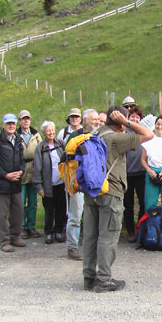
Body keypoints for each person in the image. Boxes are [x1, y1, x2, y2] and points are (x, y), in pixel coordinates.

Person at [82, 106, 153, 293]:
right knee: (108, 236)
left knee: (90, 236)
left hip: (91, 191)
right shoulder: (116, 138)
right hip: (110, 192)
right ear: (120, 122)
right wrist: (127, 121)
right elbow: (148, 134)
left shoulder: (95, 133)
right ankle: (105, 280)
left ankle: (89, 278)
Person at [62, 109, 100, 261]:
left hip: (93, 182)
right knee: (75, 215)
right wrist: (69, 184)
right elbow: (67, 161)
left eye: (98, 119)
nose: (97, 121)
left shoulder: (99, 135)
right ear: (85, 121)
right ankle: (72, 247)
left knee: (91, 215)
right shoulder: (74, 136)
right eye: (94, 119)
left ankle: (90, 245)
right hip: (77, 181)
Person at [0, 113, 26, 252]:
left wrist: (21, 171)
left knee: (18, 211)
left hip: (15, 183)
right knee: (2, 214)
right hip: (0, 184)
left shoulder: (18, 140)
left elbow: (22, 160)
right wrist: (5, 175)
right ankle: (4, 241)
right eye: (8, 123)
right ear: (3, 124)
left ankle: (15, 237)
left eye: (13, 123)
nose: (11, 126)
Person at [33, 121, 67, 245]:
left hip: (61, 184)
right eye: (48, 131)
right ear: (44, 133)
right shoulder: (40, 147)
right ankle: (48, 233)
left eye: (52, 130)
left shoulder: (60, 144)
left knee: (61, 209)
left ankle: (58, 231)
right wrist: (39, 186)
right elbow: (37, 168)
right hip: (48, 185)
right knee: (48, 210)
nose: (51, 133)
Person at [17, 109, 43, 239]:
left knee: (33, 202)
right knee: (21, 202)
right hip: (21, 171)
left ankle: (31, 226)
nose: (26, 121)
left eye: (28, 118)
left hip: (33, 170)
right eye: (23, 119)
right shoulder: (16, 135)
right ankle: (21, 227)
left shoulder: (36, 135)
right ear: (19, 121)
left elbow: (41, 150)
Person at [124, 106, 146, 242]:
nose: (135, 119)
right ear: (128, 118)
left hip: (142, 173)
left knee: (143, 203)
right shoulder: (123, 132)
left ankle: (141, 228)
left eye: (137, 117)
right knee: (128, 205)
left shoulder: (143, 132)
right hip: (127, 173)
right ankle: (130, 231)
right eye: (132, 116)